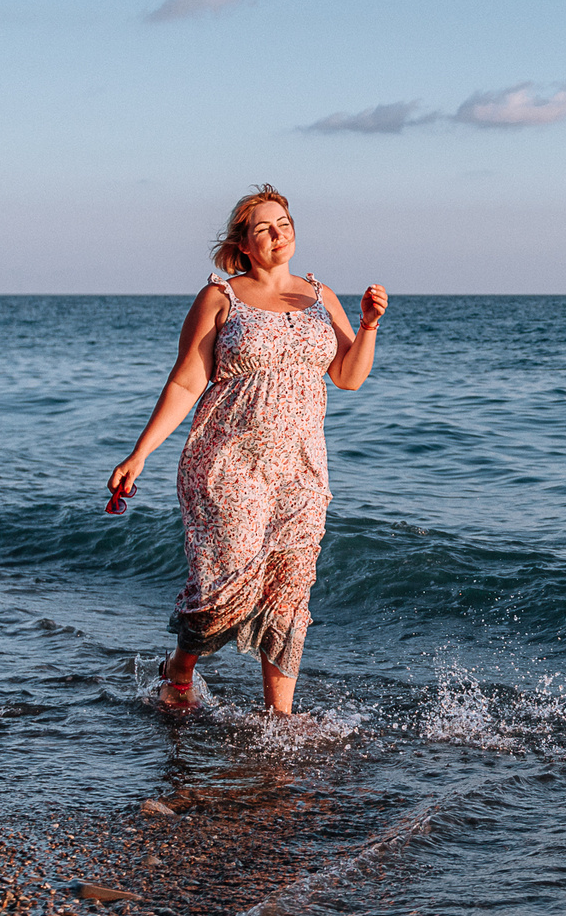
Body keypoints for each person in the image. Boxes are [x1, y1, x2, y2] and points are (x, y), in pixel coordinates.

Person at [108, 185, 387, 715]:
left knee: (290, 588)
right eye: (264, 227)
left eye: (283, 222)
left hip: (302, 469)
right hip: (228, 462)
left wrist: (369, 325)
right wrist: (139, 453)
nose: (278, 233)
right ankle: (180, 668)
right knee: (226, 583)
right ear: (243, 243)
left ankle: (278, 717)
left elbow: (349, 377)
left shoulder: (320, 297)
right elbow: (186, 383)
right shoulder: (221, 297)